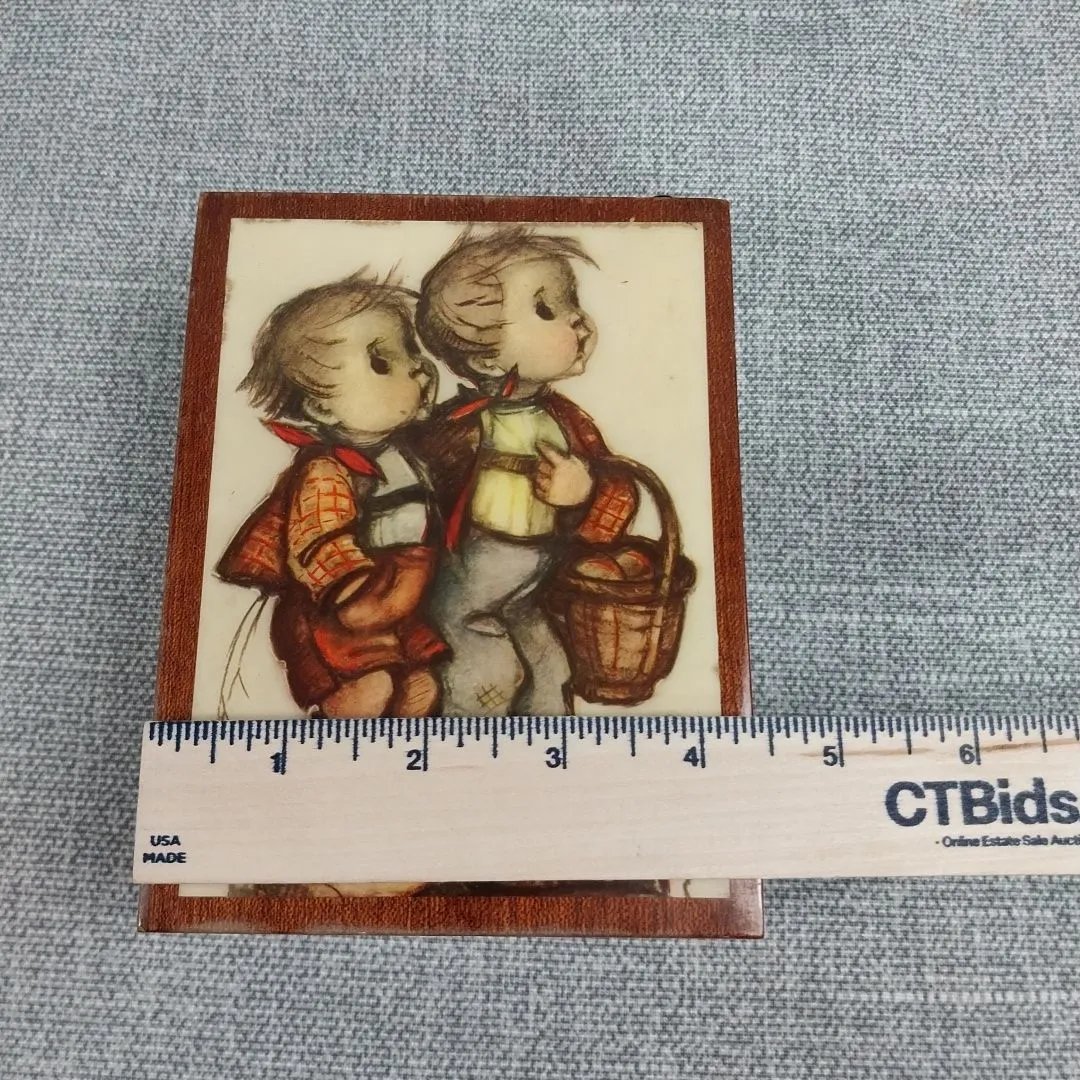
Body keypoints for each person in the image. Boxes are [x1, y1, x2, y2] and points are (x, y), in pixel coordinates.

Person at [411, 226, 638, 715]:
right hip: (465, 590)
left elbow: (617, 487)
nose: (578, 320)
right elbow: (415, 485)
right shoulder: (459, 426)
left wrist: (585, 493)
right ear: (486, 359)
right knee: (488, 675)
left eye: (571, 302)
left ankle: (548, 752)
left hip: (532, 588)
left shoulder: (569, 422)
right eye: (546, 310)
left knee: (554, 673)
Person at [217, 271, 447, 718]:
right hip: (339, 614)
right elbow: (319, 538)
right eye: (381, 363)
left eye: (409, 350)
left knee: (420, 689)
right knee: (370, 689)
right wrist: (356, 592)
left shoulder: (407, 453)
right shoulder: (327, 469)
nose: (416, 368)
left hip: (398, 605)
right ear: (322, 406)